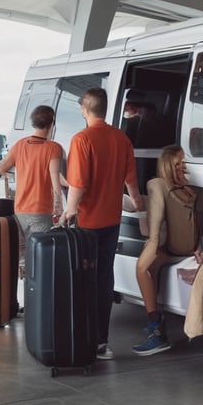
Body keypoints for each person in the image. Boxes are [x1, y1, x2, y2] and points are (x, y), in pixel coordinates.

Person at [59, 87, 143, 360]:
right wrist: (137, 201)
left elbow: (78, 183)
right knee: (105, 278)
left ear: (84, 109)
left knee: (84, 279)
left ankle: (82, 339)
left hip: (88, 222)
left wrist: (69, 211)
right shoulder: (121, 138)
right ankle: (101, 342)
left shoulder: (82, 139)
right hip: (112, 220)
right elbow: (131, 178)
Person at [132, 144, 200, 356]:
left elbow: (157, 221)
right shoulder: (189, 189)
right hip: (189, 247)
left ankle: (156, 330)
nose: (183, 165)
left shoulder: (156, 184)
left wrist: (151, 245)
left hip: (172, 246)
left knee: (142, 269)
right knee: (154, 268)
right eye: (182, 162)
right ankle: (158, 324)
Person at [0, 105, 64, 280]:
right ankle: (39, 302)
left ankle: (29, 301)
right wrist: (59, 207)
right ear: (52, 124)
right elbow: (55, 180)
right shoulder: (53, 148)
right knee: (41, 259)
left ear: (33, 123)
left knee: (24, 260)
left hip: (20, 210)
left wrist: (22, 172)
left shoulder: (20, 145)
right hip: (40, 211)